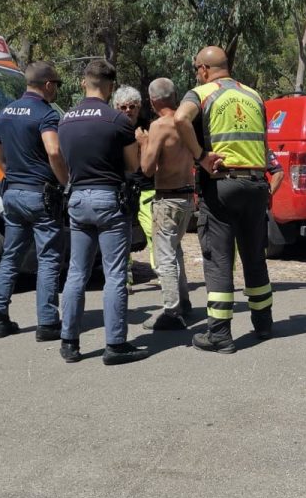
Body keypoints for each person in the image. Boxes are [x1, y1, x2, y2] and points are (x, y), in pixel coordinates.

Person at [171, 45, 273, 353]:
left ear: (203, 69)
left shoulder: (202, 93)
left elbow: (180, 119)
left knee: (219, 260)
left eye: (196, 69)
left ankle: (219, 334)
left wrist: (201, 156)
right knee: (254, 257)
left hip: (222, 185)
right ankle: (264, 324)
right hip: (256, 185)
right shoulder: (254, 95)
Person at [57, 58, 149, 365]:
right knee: (115, 274)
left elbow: (59, 156)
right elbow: (133, 165)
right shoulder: (117, 120)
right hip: (109, 198)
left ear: (84, 82)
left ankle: (69, 342)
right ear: (110, 86)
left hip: (77, 198)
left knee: (76, 272)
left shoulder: (65, 120)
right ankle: (115, 345)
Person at [0, 61, 68, 340]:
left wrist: (13, 176)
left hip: (12, 192)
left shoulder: (5, 112)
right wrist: (65, 182)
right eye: (56, 84)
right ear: (47, 84)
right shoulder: (46, 114)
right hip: (40, 194)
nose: (56, 89)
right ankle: (47, 323)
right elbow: (54, 150)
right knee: (48, 259)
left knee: (11, 256)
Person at [139, 77, 195, 330]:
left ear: (153, 101)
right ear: (174, 97)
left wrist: (144, 144)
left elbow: (147, 168)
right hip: (187, 196)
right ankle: (184, 301)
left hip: (167, 198)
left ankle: (171, 311)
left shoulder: (159, 126)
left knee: (165, 257)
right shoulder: (188, 121)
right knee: (176, 251)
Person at [112, 85, 154, 288]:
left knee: (154, 231)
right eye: (123, 107)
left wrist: (144, 143)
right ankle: (125, 276)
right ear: (116, 107)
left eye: (132, 106)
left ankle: (162, 271)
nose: (128, 110)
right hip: (122, 188)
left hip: (146, 187)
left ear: (139, 107)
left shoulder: (149, 127)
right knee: (122, 235)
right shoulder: (112, 127)